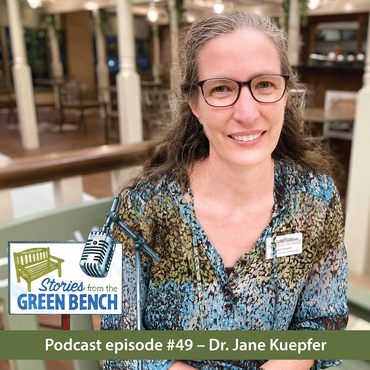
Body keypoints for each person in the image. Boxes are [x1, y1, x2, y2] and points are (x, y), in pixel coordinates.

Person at [101, 11, 348, 370]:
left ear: (285, 93)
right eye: (221, 89)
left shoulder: (315, 199)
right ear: (195, 105)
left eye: (264, 84)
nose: (247, 113)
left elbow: (322, 320)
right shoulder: (144, 208)